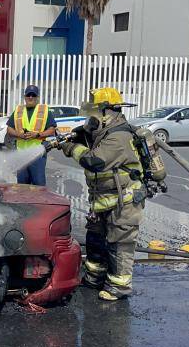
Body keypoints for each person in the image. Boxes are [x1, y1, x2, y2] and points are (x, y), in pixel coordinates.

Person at [55, 87, 144, 301]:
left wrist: (70, 147)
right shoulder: (102, 133)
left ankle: (119, 285)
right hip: (103, 198)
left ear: (107, 112)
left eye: (94, 113)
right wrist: (77, 132)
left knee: (119, 241)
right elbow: (86, 134)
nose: (90, 118)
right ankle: (95, 277)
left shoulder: (119, 137)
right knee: (95, 238)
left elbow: (95, 161)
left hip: (125, 200)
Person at [5, 85, 57, 186]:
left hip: (37, 154)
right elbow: (9, 128)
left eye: (33, 95)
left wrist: (37, 134)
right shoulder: (18, 110)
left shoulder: (44, 110)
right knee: (22, 185)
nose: (30, 97)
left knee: (38, 184)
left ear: (37, 97)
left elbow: (52, 130)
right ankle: (24, 202)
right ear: (25, 96)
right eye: (28, 95)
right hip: (21, 154)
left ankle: (38, 202)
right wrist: (19, 135)